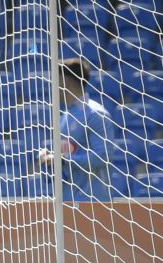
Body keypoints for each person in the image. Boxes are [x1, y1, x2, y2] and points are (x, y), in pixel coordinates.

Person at [38, 58, 117, 201]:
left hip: (92, 202)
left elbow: (103, 157)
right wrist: (50, 158)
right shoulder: (65, 116)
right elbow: (70, 156)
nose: (51, 87)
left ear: (65, 81)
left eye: (54, 81)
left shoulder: (96, 114)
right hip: (67, 200)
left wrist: (63, 160)